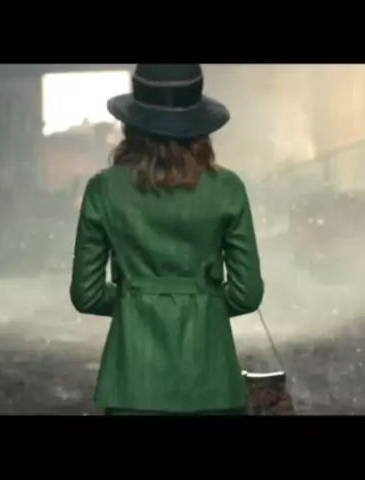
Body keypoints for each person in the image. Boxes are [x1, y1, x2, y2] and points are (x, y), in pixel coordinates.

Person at [69, 64, 264, 415]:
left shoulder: (103, 190)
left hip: (132, 387)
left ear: (132, 122)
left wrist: (137, 300)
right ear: (199, 122)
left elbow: (87, 295)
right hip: (214, 386)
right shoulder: (228, 189)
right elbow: (247, 294)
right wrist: (200, 302)